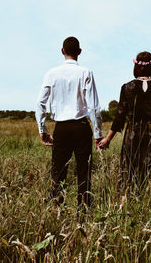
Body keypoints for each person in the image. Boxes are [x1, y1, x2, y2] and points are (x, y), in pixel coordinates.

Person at [36, 36, 103, 211]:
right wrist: (98, 135)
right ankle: (83, 212)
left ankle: (56, 210)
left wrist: (42, 129)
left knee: (58, 172)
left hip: (61, 128)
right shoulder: (86, 73)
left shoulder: (51, 74)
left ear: (62, 51)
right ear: (79, 52)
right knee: (84, 172)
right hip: (81, 127)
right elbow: (94, 107)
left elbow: (40, 104)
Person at [98, 51, 151, 189]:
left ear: (136, 67)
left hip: (132, 133)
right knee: (150, 172)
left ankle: (128, 198)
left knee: (129, 171)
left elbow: (120, 117)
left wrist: (108, 139)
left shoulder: (127, 87)